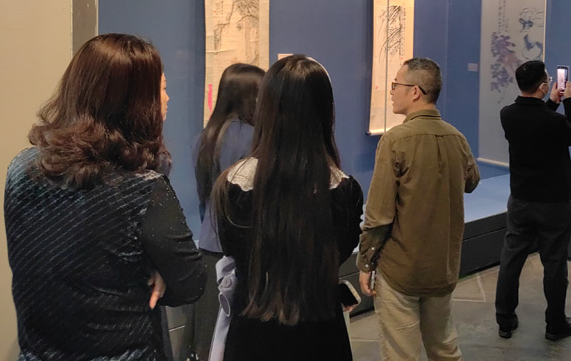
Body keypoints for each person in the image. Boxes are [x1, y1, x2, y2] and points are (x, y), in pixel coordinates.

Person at [4, 33, 205, 360]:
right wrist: (153, 274)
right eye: (162, 88)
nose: (167, 98)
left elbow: (49, 266)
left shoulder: (21, 169)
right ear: (135, 103)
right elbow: (191, 282)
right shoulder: (143, 188)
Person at [213, 54, 364, 360]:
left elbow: (232, 249)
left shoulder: (233, 185)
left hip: (251, 333)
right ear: (326, 111)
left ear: (266, 108)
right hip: (321, 335)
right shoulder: (344, 190)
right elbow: (343, 250)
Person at [358, 57, 480, 361]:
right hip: (442, 267)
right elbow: (472, 182)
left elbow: (379, 214)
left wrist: (366, 262)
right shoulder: (457, 138)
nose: (391, 91)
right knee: (444, 348)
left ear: (415, 92)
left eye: (395, 85)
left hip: (402, 269)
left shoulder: (395, 140)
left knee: (402, 354)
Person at [495, 60, 571, 341]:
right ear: (544, 86)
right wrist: (568, 101)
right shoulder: (554, 121)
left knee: (511, 260)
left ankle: (505, 320)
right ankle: (555, 324)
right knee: (555, 263)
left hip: (521, 199)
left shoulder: (507, 114)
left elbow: (536, 122)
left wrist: (552, 103)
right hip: (554, 203)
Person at [182, 63, 265, 361]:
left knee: (207, 341)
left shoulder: (204, 139)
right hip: (246, 255)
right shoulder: (256, 140)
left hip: (209, 249)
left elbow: (203, 199)